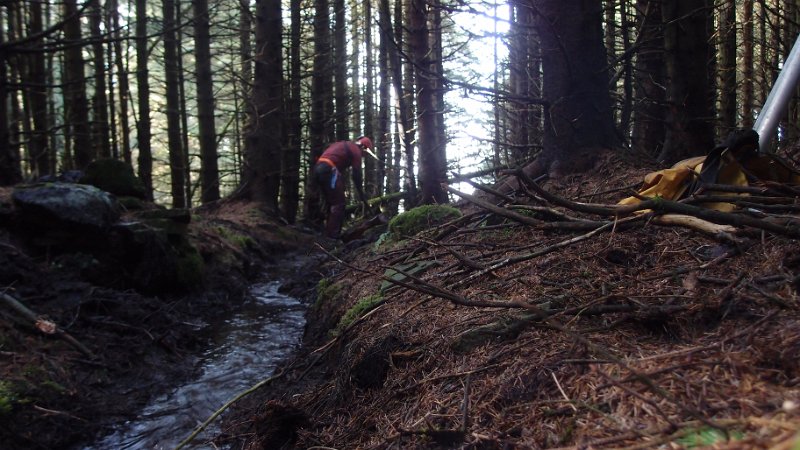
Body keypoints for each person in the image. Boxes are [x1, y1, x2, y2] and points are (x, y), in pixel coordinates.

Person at [313, 136, 373, 239]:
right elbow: (356, 175)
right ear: (363, 147)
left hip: (318, 168)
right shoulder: (356, 150)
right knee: (338, 204)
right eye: (365, 153)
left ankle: (322, 231)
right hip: (329, 169)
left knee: (329, 203)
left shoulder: (344, 144)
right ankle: (332, 237)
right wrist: (361, 193)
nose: (363, 156)